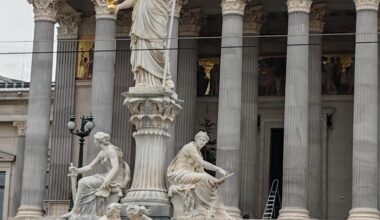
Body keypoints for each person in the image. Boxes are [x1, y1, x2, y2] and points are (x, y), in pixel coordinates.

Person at [62, 132, 130, 219]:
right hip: (107, 176)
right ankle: (80, 211)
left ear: (99, 140)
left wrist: (107, 180)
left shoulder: (112, 150)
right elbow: (90, 166)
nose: (94, 141)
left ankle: (76, 211)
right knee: (83, 181)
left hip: (115, 179)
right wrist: (77, 170)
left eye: (95, 139)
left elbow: (115, 167)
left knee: (83, 182)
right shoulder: (102, 153)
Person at [167, 131, 232, 218]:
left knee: (211, 183)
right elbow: (202, 164)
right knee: (204, 179)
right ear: (196, 139)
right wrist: (218, 169)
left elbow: (200, 172)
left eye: (204, 141)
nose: (202, 142)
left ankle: (207, 208)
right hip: (180, 174)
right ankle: (201, 206)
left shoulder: (198, 153)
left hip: (189, 174)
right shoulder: (190, 147)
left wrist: (214, 180)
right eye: (200, 139)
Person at [114, 0, 175, 89]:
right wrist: (119, 6)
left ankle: (166, 77)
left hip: (157, 13)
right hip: (141, 20)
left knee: (159, 48)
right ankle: (141, 79)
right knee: (141, 47)